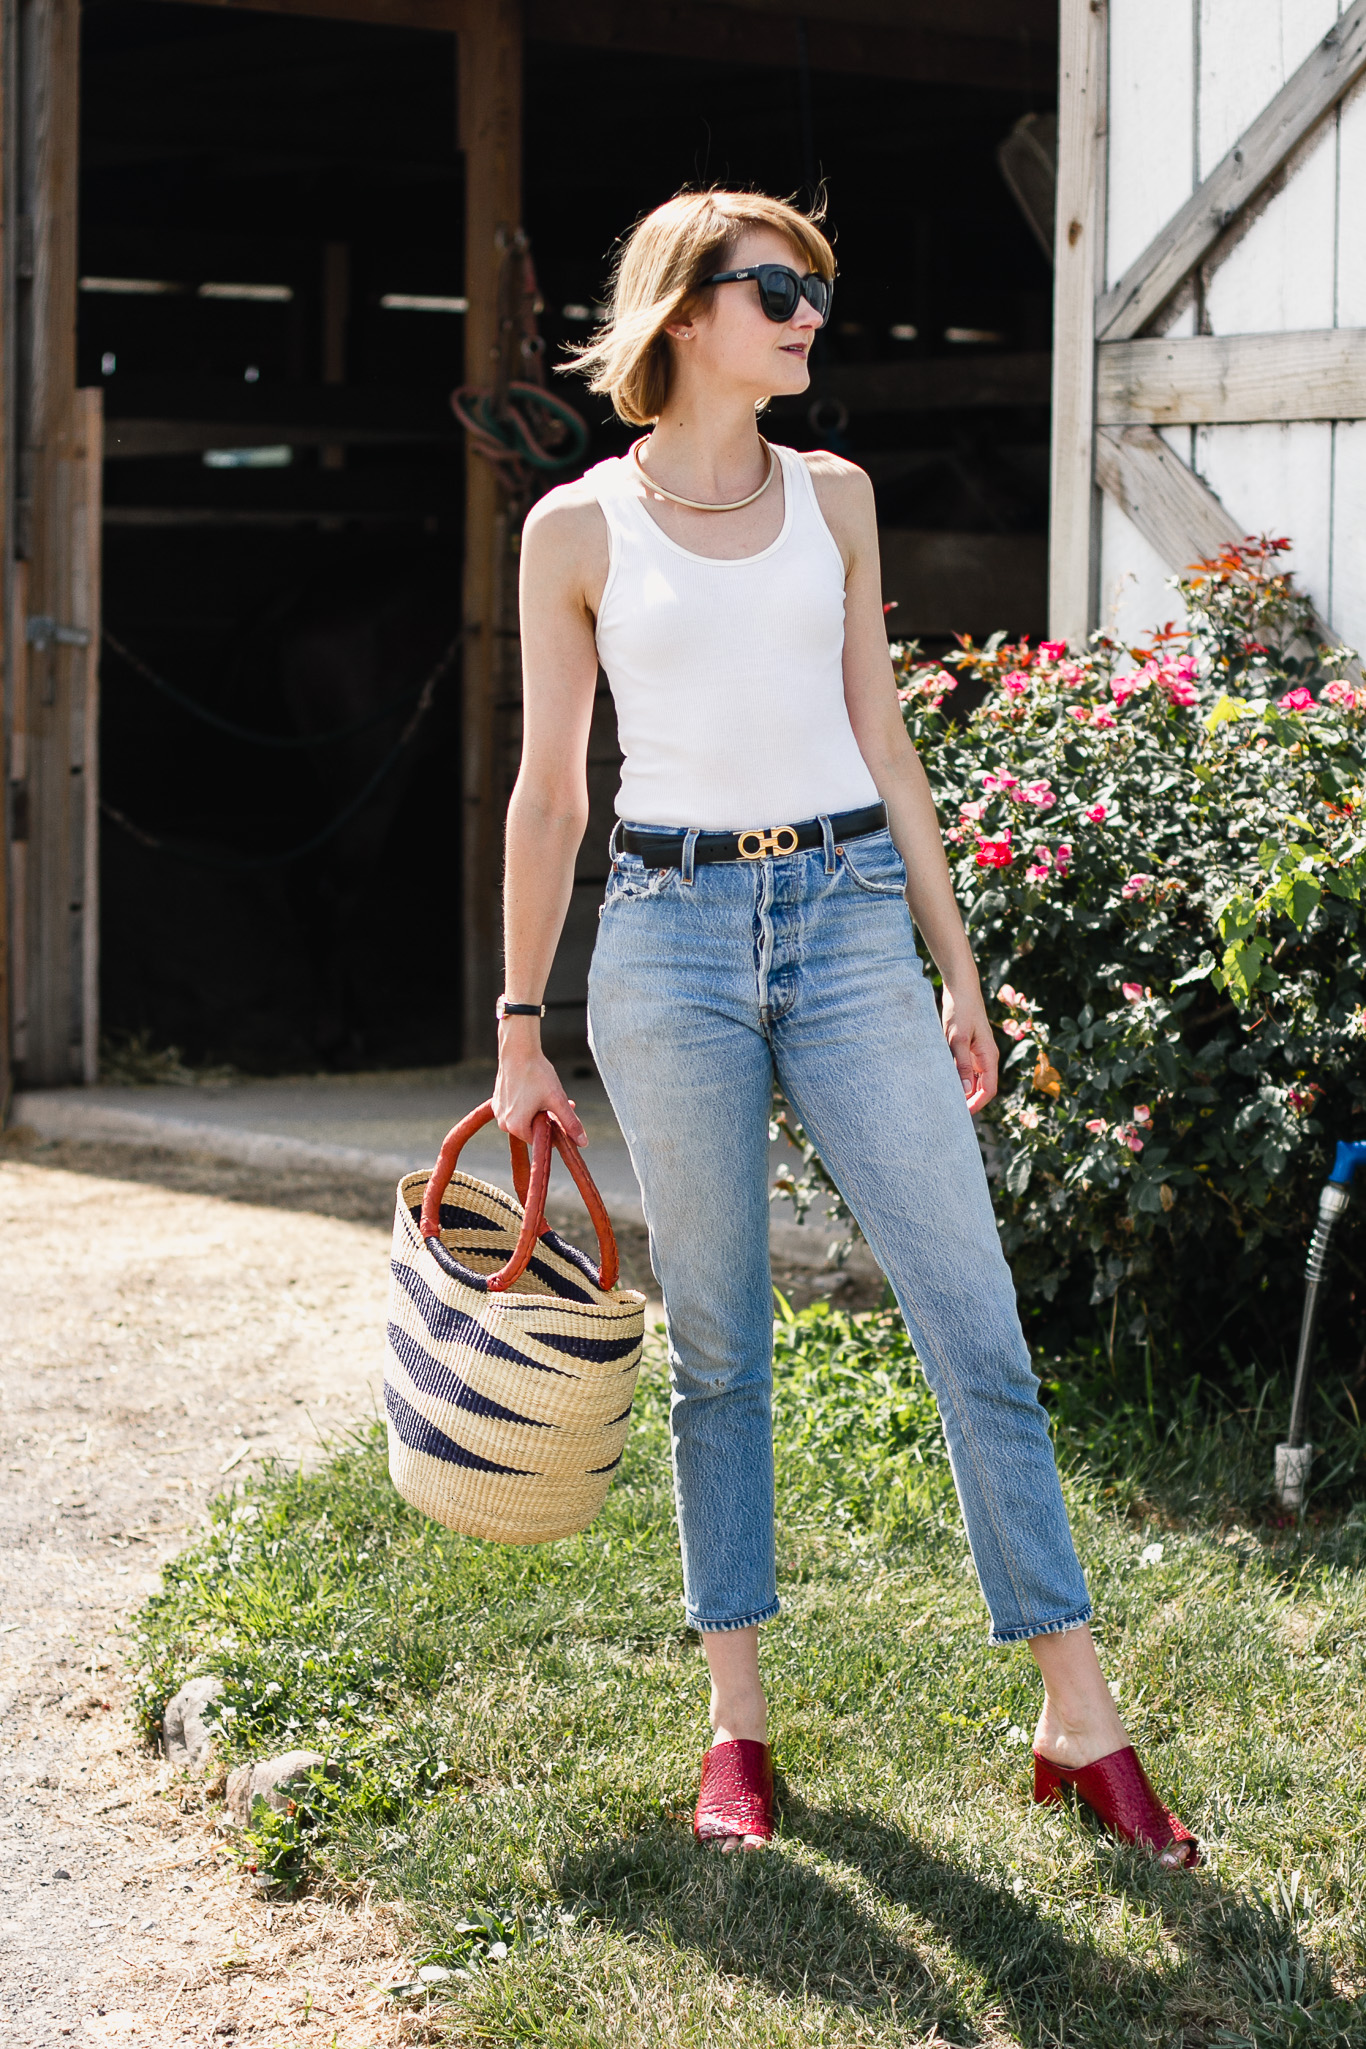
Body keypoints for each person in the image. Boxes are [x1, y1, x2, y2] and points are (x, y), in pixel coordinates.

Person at [491, 188, 1197, 1869]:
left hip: (845, 918)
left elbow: (883, 736)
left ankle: (1075, 1716)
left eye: (815, 288)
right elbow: (546, 791)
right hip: (662, 943)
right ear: (684, 311)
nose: (809, 312)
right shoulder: (578, 530)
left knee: (974, 1319)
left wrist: (954, 964)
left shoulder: (837, 498)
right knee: (720, 1347)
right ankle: (735, 1731)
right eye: (776, 288)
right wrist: (521, 1029)